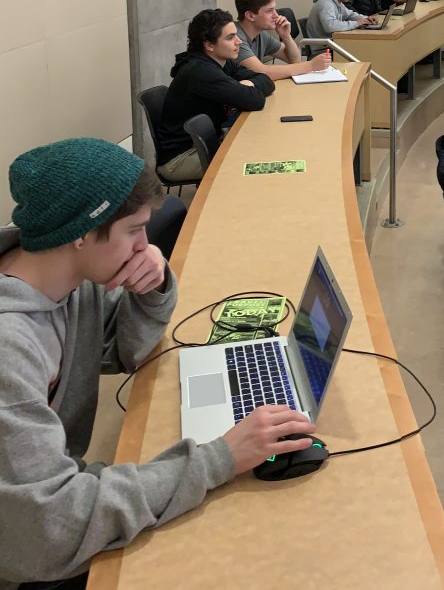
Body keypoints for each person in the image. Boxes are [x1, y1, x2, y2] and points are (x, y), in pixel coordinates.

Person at [0, 139, 318, 588]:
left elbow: (124, 350)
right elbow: (48, 531)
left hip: (50, 504)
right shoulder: (9, 350)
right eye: (134, 231)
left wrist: (152, 285)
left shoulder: (68, 281)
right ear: (81, 234)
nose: (145, 246)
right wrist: (217, 459)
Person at [157, 9, 275, 174]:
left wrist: (249, 85)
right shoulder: (201, 72)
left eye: (236, 35)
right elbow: (254, 100)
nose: (239, 41)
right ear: (209, 45)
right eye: (230, 37)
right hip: (181, 157)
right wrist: (248, 89)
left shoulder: (221, 61)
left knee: (259, 144)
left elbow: (266, 80)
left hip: (205, 142)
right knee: (252, 160)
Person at [232, 0, 331, 81]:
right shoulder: (234, 37)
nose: (276, 15)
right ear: (250, 16)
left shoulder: (261, 34)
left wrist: (286, 37)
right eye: (269, 10)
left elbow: (295, 60)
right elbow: (261, 72)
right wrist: (311, 65)